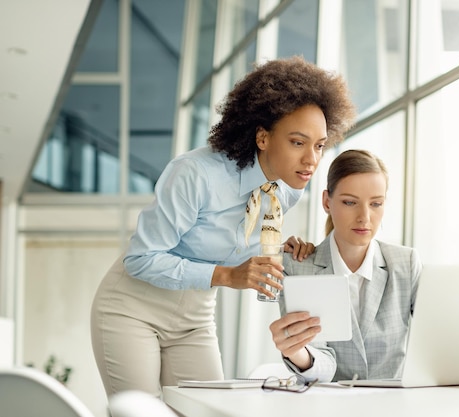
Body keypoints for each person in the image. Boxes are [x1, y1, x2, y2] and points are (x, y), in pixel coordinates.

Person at [90, 56, 356, 397]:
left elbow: (242, 236)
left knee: (210, 408)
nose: (311, 160)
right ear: (262, 137)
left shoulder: (289, 188)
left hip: (195, 319)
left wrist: (284, 248)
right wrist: (228, 276)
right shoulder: (195, 174)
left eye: (319, 146)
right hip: (132, 311)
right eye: (297, 142)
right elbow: (141, 258)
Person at [269, 149, 422, 382]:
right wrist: (297, 352)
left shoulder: (406, 264)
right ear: (326, 202)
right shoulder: (299, 267)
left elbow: (435, 340)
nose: (364, 217)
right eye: (350, 202)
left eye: (376, 204)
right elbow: (323, 363)